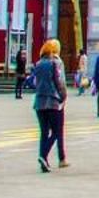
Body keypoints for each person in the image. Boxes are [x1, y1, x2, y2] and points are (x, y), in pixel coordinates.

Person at [31, 38, 68, 171]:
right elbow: (59, 82)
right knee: (56, 131)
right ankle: (43, 154)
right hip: (52, 101)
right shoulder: (54, 63)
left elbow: (34, 82)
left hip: (39, 102)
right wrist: (63, 96)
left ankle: (44, 162)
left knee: (44, 132)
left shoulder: (38, 64)